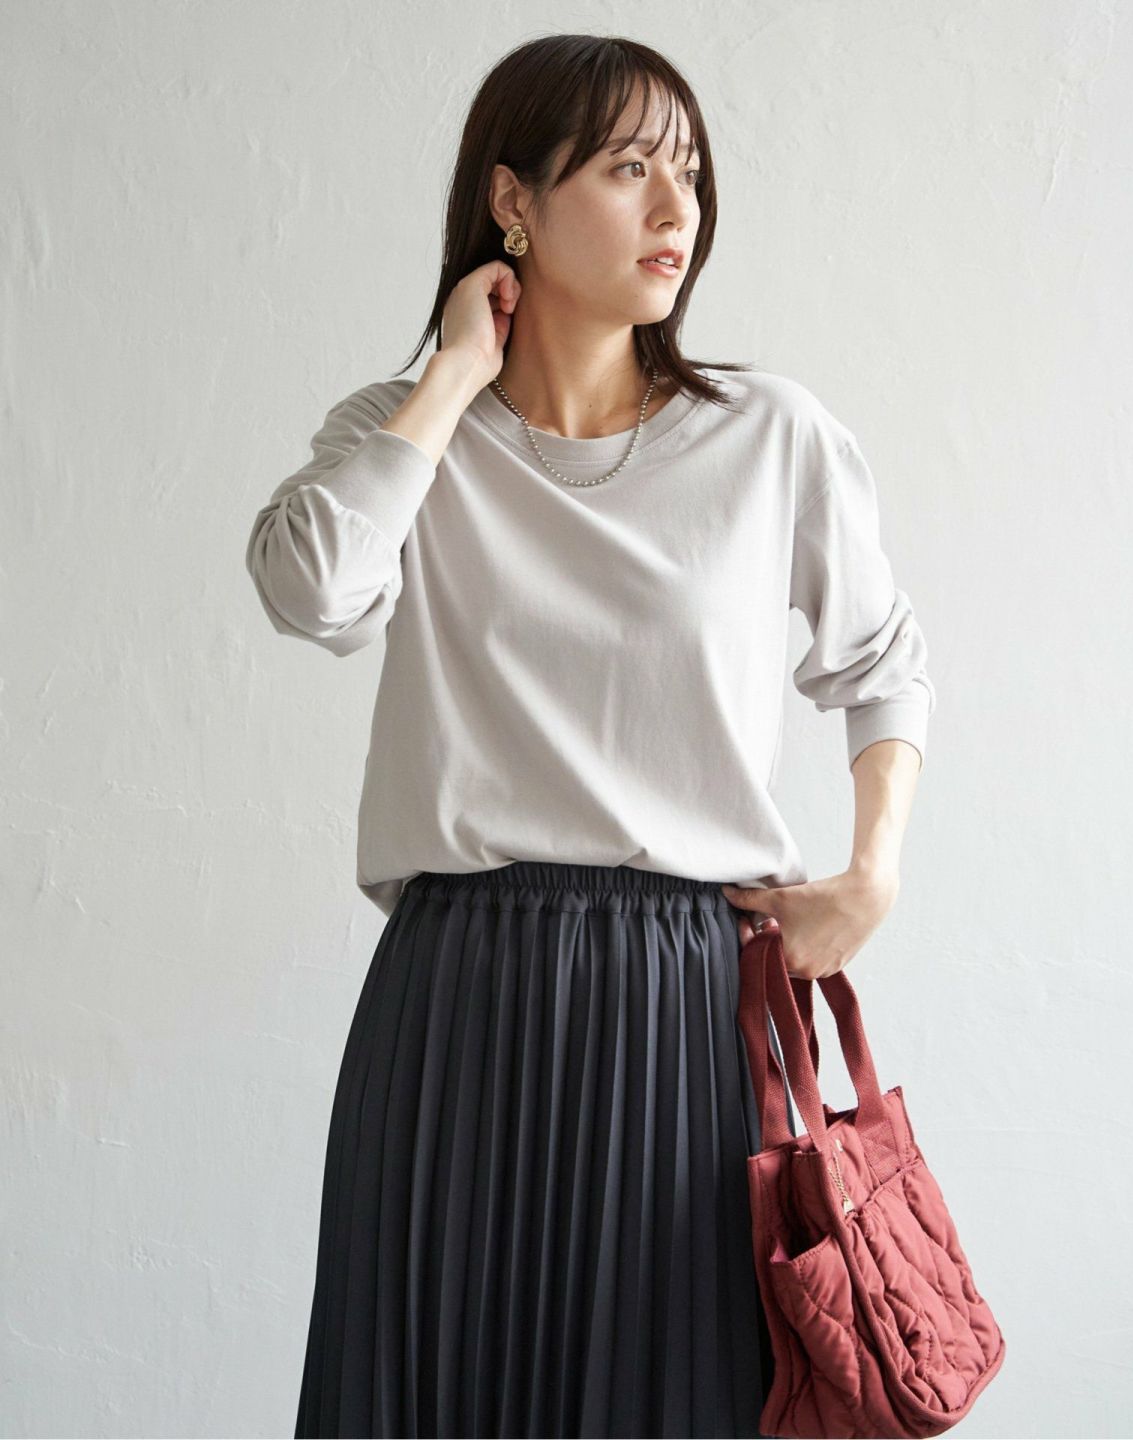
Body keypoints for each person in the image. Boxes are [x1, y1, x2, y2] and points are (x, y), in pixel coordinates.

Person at [244, 33, 935, 1440]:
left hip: (687, 995)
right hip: (458, 993)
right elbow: (312, 591)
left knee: (673, 1395)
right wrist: (453, 374)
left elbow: (884, 661)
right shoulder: (407, 436)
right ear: (515, 199)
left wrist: (871, 875)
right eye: (629, 171)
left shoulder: (767, 436)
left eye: (691, 175)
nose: (679, 211)